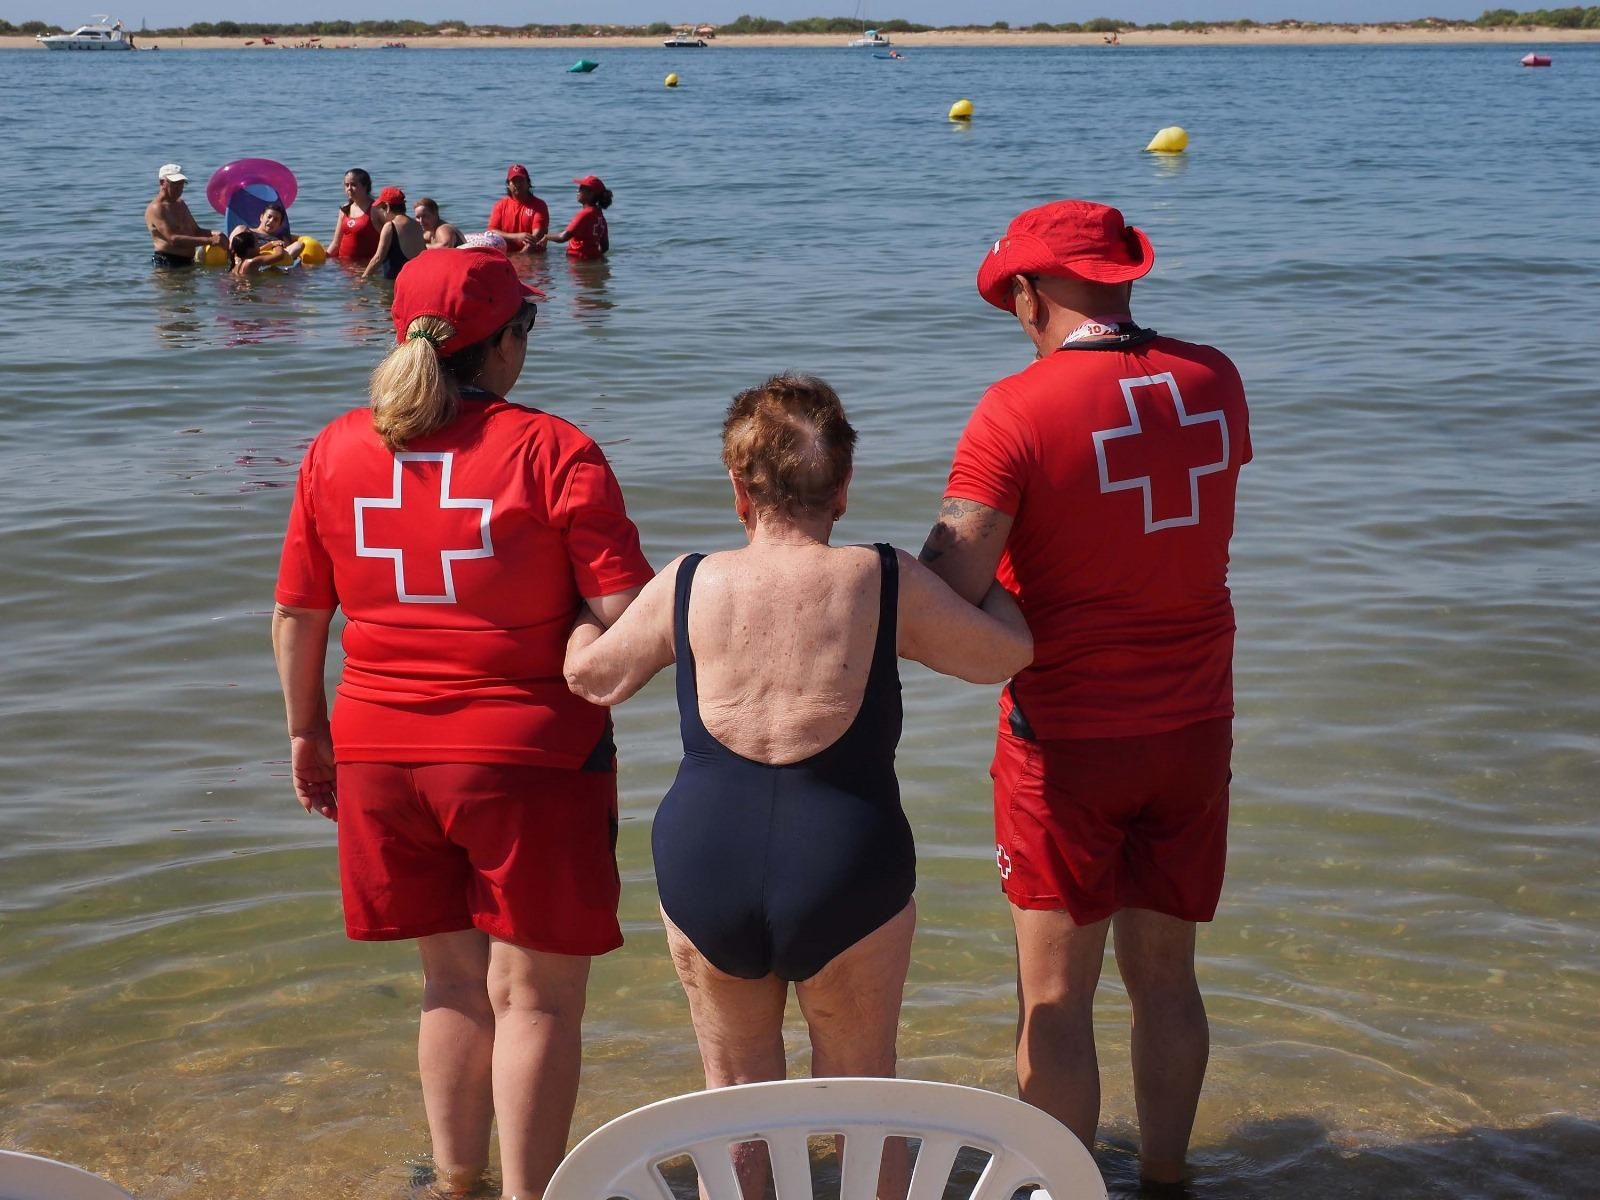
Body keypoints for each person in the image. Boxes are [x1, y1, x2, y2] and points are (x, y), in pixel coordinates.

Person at [564, 373, 1032, 1199]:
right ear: (843, 489)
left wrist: (573, 614)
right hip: (845, 863)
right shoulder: (882, 578)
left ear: (738, 490)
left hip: (706, 859)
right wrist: (996, 573)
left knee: (734, 1108)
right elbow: (1004, 655)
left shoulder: (685, 581)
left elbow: (593, 679)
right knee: (866, 1106)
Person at [271, 247, 654, 1199]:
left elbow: (297, 616)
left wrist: (308, 735)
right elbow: (628, 622)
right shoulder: (553, 449)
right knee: (537, 1002)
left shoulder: (334, 447)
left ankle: (455, 1183)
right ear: (505, 344)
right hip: (524, 758)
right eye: (526, 325)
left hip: (376, 751)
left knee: (450, 985)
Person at [918, 199, 1251, 1188]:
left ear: (1026, 292)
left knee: (1054, 1001)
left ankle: (1060, 1186)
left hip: (1066, 742)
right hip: (1194, 727)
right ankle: (1165, 1179)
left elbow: (951, 587)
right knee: (1167, 981)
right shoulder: (1215, 379)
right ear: (1122, 277)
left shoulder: (1016, 409)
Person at [145, 162, 225, 267]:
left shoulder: (180, 204)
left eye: (181, 183)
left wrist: (217, 234)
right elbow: (173, 239)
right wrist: (210, 241)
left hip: (188, 262)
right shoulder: (156, 208)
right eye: (175, 183)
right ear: (162, 182)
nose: (179, 188)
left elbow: (195, 231)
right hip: (167, 263)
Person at [363, 186, 426, 280]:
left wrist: (363, 278)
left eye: (382, 209)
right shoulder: (417, 225)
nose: (382, 213)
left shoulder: (390, 226)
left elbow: (378, 258)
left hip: (396, 282)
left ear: (387, 207)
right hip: (416, 279)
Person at [543, 176, 610, 261]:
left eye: (581, 188)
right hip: (591, 259)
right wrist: (593, 257)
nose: (577, 191)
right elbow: (605, 247)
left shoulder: (584, 214)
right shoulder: (600, 216)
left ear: (591, 193)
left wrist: (546, 237)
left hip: (578, 261)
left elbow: (563, 237)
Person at [488, 164, 549, 254]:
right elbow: (492, 232)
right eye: (514, 181)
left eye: (521, 180)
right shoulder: (500, 205)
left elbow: (537, 234)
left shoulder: (539, 205)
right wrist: (516, 237)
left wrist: (520, 256)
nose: (517, 184)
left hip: (533, 255)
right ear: (508, 184)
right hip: (508, 254)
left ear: (528, 183)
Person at [328, 168, 380, 263]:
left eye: (353, 185)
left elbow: (386, 243)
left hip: (365, 267)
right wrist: (324, 258)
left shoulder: (376, 209)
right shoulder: (345, 209)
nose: (349, 188)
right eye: (346, 185)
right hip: (342, 267)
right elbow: (336, 244)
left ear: (365, 186)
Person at [228, 227, 303, 276]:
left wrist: (271, 243)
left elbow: (259, 249)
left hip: (241, 287)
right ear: (250, 250)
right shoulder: (253, 262)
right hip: (250, 292)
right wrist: (278, 245)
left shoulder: (238, 261)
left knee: (273, 269)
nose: (259, 246)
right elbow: (279, 255)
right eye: (257, 243)